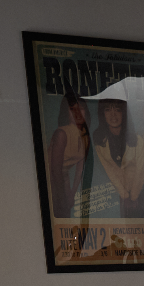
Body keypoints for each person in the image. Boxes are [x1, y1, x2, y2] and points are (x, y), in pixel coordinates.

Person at [91, 97, 144, 218]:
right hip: (122, 187)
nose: (113, 115)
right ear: (102, 114)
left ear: (124, 113)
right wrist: (124, 195)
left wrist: (133, 197)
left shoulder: (138, 140)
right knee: (125, 220)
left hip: (140, 185)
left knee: (137, 218)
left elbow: (141, 172)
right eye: (107, 110)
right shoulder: (100, 141)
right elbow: (109, 170)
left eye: (117, 110)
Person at [46, 89, 92, 218]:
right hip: (49, 176)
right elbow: (54, 169)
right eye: (72, 109)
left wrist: (72, 194)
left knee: (66, 214)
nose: (77, 112)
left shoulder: (85, 137)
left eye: (81, 108)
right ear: (66, 112)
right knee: (58, 211)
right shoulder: (61, 134)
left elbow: (80, 168)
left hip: (63, 176)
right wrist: (62, 197)